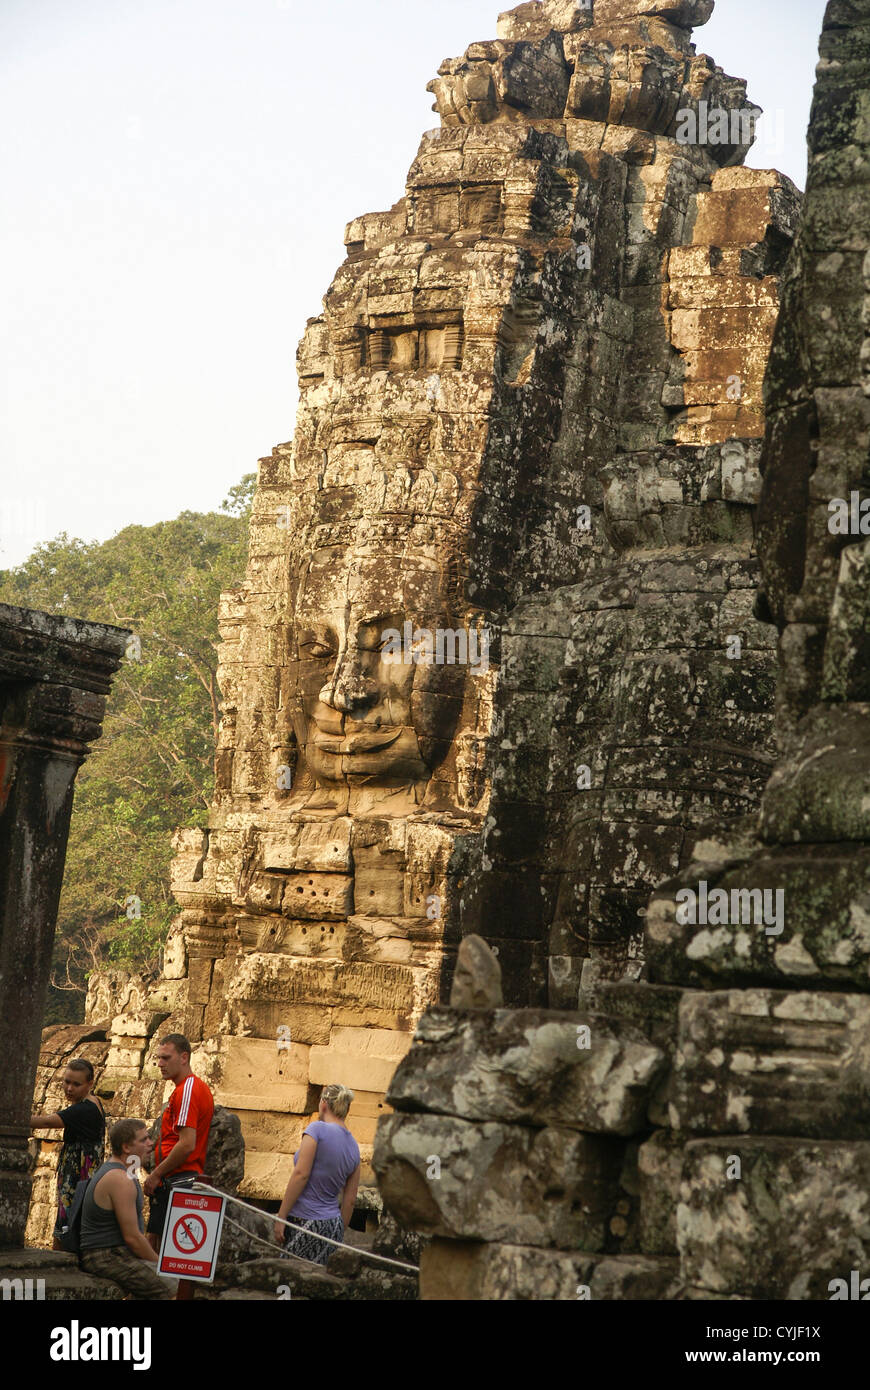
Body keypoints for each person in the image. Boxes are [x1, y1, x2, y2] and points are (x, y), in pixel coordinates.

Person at [78, 1118, 174, 1301]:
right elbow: (132, 1237)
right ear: (126, 1148)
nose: (151, 1143)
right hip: (106, 1256)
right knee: (175, 1288)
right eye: (143, 1140)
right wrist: (161, 1265)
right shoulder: (119, 1179)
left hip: (115, 1253)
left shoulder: (124, 1173)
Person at [274, 1083, 361, 1267]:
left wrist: (281, 1216)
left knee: (289, 1277)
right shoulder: (354, 1146)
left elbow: (301, 1174)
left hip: (306, 1221)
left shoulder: (317, 1130)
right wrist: (339, 1232)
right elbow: (350, 1199)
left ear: (323, 1104)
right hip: (333, 1225)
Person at [144, 1034, 214, 1258]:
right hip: (178, 1180)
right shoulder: (187, 1088)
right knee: (163, 1250)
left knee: (165, 1254)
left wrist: (156, 1174)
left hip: (179, 1180)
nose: (160, 1064)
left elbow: (186, 1144)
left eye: (166, 1058)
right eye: (158, 1058)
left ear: (184, 1057)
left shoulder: (188, 1090)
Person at [30, 1058, 106, 1250]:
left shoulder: (85, 1109)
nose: (69, 1088)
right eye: (67, 1082)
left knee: (68, 1215)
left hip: (78, 1170)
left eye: (76, 1084)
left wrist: (14, 1117)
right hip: (81, 1166)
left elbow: (47, 1122)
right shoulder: (91, 1102)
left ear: (90, 1084)